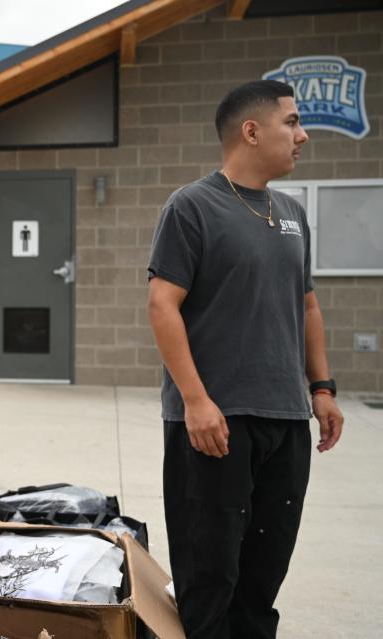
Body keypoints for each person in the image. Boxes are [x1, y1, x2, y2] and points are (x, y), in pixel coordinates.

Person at [147, 79, 344, 639]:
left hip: (285, 420)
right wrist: (196, 400)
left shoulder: (291, 213)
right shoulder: (191, 206)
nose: (302, 135)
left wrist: (322, 388)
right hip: (217, 423)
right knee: (210, 578)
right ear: (251, 131)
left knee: (263, 578)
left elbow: (307, 306)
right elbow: (163, 304)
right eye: (292, 122)